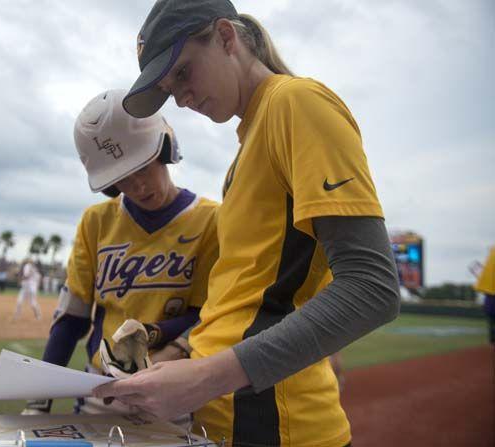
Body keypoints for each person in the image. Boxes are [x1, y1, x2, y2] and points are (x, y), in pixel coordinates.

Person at [93, 1, 401, 445]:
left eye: (183, 73)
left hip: (273, 422)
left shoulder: (296, 102)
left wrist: (204, 377)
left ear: (225, 37)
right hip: (223, 418)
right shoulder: (247, 147)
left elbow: (372, 287)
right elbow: (245, 297)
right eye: (168, 89)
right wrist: (181, 358)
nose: (181, 98)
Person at [25, 89, 219, 416]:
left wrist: (162, 343)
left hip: (176, 392)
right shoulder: (96, 222)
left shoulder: (210, 220)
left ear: (164, 148)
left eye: (142, 168)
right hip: (103, 393)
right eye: (122, 179)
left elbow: (207, 315)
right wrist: (39, 401)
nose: (138, 187)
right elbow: (71, 318)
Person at [474, 247, 495, 346]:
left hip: (489, 308)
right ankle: (492, 340)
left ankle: (491, 340)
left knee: (491, 324)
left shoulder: (488, 287)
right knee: (491, 324)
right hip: (490, 308)